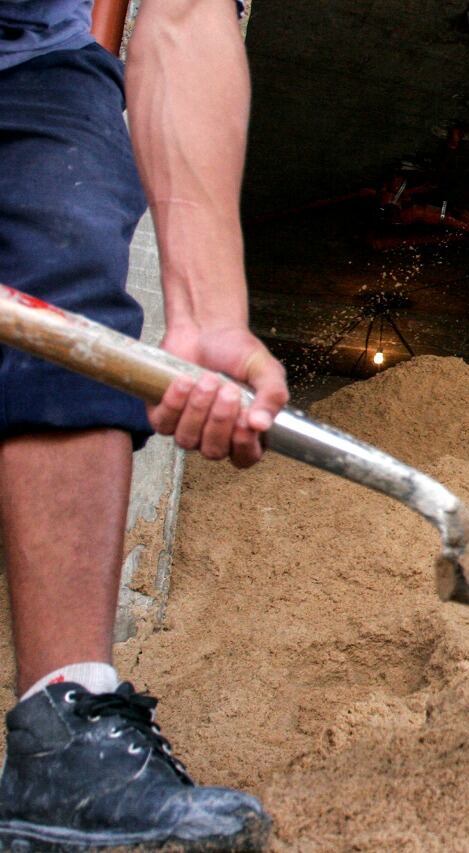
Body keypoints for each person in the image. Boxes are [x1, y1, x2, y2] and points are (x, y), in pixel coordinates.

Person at [0, 0, 288, 848]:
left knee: (69, 245)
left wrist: (207, 315)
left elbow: (186, 11)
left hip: (36, 47)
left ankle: (63, 728)